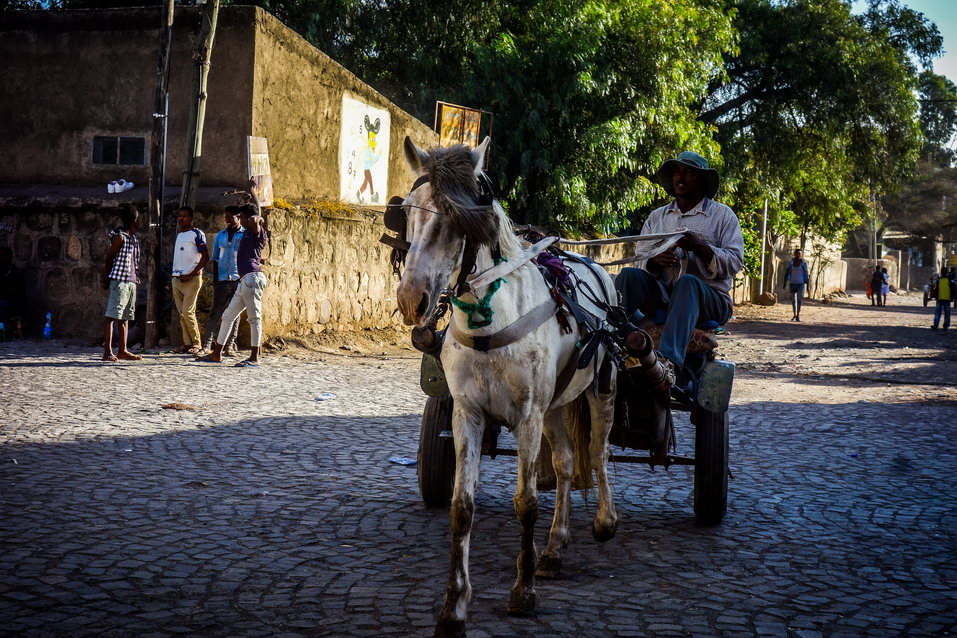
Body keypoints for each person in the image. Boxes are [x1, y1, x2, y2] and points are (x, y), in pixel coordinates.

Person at [615, 151, 744, 373]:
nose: (680, 178)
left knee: (688, 283)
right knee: (628, 276)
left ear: (702, 180)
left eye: (689, 173)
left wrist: (700, 247)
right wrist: (654, 262)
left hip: (711, 301)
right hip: (664, 296)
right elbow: (640, 257)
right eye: (676, 172)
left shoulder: (723, 216)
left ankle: (668, 361)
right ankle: (612, 346)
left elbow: (735, 262)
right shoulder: (658, 217)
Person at [198, 203, 268, 367]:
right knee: (228, 316)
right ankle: (217, 353)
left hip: (253, 278)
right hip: (244, 281)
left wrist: (256, 215)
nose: (240, 220)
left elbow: (256, 217)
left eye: (243, 217)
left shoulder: (257, 233)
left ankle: (255, 358)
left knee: (254, 318)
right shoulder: (245, 234)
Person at [101, 208, 143, 362]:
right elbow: (109, 258)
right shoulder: (120, 238)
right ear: (134, 220)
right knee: (111, 316)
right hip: (119, 281)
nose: (139, 221)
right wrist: (105, 277)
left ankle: (123, 350)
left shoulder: (133, 239)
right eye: (138, 218)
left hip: (131, 281)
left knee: (125, 317)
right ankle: (107, 352)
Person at [202, 206, 244, 355]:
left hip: (238, 279)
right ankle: (207, 345)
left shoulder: (244, 235)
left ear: (238, 218)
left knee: (235, 314)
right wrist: (215, 280)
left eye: (230, 217)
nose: (227, 220)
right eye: (226, 217)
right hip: (221, 280)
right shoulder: (220, 235)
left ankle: (230, 346)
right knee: (215, 312)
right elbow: (214, 259)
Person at [171, 206, 209, 355]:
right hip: (177, 279)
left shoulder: (197, 234)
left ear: (191, 218)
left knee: (188, 312)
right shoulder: (179, 235)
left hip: (192, 280)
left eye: (185, 216)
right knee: (181, 314)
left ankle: (197, 343)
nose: (181, 218)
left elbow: (204, 257)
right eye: (179, 216)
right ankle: (187, 343)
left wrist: (192, 273)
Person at [0, 246, 25, 338]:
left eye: (4, 256)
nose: (1, 258)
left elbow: (9, 293)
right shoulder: (2, 271)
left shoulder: (15, 273)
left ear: (10, 257)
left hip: (12, 304)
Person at [783, 248, 810, 321]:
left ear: (801, 255)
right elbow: (787, 272)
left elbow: (807, 275)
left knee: (799, 299)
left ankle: (798, 315)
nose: (798, 255)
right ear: (795, 254)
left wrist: (808, 286)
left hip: (801, 284)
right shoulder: (791, 263)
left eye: (800, 254)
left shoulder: (804, 263)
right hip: (792, 283)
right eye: (797, 253)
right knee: (793, 300)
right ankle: (794, 314)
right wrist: (785, 283)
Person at [931, 266, 954, 331]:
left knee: (943, 313)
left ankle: (945, 326)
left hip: (946, 299)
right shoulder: (940, 280)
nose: (943, 273)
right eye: (942, 271)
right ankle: (936, 325)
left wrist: (952, 297)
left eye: (944, 271)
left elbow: (953, 289)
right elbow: (936, 290)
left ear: (946, 272)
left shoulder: (949, 280)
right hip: (940, 299)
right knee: (940, 313)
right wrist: (931, 296)